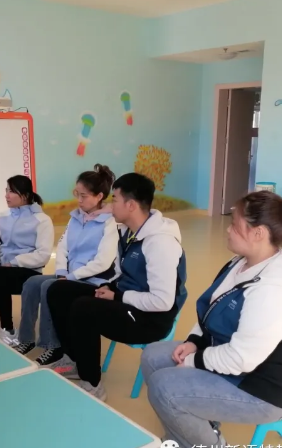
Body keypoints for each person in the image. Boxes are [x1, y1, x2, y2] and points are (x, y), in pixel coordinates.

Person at [141, 191, 282, 448]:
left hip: (266, 389)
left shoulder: (274, 291)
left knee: (165, 387)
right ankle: (194, 434)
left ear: (258, 233)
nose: (227, 229)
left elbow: (240, 360)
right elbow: (213, 309)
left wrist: (194, 361)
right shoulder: (242, 263)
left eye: (235, 224)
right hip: (238, 362)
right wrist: (194, 343)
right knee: (153, 356)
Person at [47, 172, 187, 401]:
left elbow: (162, 302)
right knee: (59, 290)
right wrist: (110, 289)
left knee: (83, 308)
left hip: (150, 318)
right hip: (126, 299)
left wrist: (118, 296)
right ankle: (74, 360)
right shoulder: (129, 232)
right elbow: (122, 274)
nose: (110, 205)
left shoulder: (160, 242)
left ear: (130, 205)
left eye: (114, 199)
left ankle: (92, 383)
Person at [14, 164, 118, 366]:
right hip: (69, 276)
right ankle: (26, 339)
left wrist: (69, 277)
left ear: (99, 196)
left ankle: (53, 346)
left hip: (93, 281)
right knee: (32, 282)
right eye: (77, 194)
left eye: (84, 196)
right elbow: (62, 247)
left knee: (48, 286)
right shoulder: (76, 217)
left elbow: (103, 262)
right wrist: (62, 271)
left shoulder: (110, 223)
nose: (79, 200)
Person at [0, 175, 54, 345]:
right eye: (6, 191)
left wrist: (14, 262)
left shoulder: (42, 220)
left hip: (28, 273)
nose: (6, 195)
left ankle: (8, 329)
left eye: (11, 191)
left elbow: (43, 255)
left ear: (25, 195)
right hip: (0, 269)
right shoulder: (2, 216)